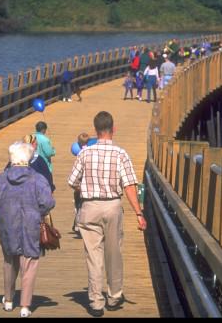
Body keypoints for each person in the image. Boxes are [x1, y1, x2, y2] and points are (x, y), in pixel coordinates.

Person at [67, 111, 147, 317]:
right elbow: (130, 186)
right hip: (112, 206)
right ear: (113, 129)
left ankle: (95, 301)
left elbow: (72, 182)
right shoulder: (121, 154)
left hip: (89, 208)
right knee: (114, 254)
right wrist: (138, 213)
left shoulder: (84, 153)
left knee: (93, 257)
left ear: (95, 130)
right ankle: (114, 296)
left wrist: (85, 190)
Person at [0, 141, 55, 318]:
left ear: (12, 159)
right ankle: (25, 306)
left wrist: (4, 212)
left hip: (7, 225)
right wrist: (36, 212)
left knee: (9, 261)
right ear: (29, 159)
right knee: (30, 263)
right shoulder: (38, 179)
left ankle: (9, 300)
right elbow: (48, 203)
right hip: (31, 225)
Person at [71, 132, 90, 237]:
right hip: (89, 183)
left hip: (80, 184)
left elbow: (74, 176)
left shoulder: (80, 154)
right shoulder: (91, 151)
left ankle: (78, 226)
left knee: (79, 206)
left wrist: (76, 186)